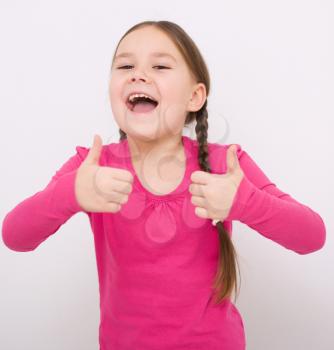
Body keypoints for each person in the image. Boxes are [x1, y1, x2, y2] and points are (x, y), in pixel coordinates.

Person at [1, 20, 326, 350]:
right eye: (125, 65)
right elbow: (15, 235)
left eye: (159, 66)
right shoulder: (92, 169)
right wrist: (69, 194)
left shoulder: (225, 164)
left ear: (195, 96)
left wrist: (245, 202)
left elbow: (312, 236)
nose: (138, 75)